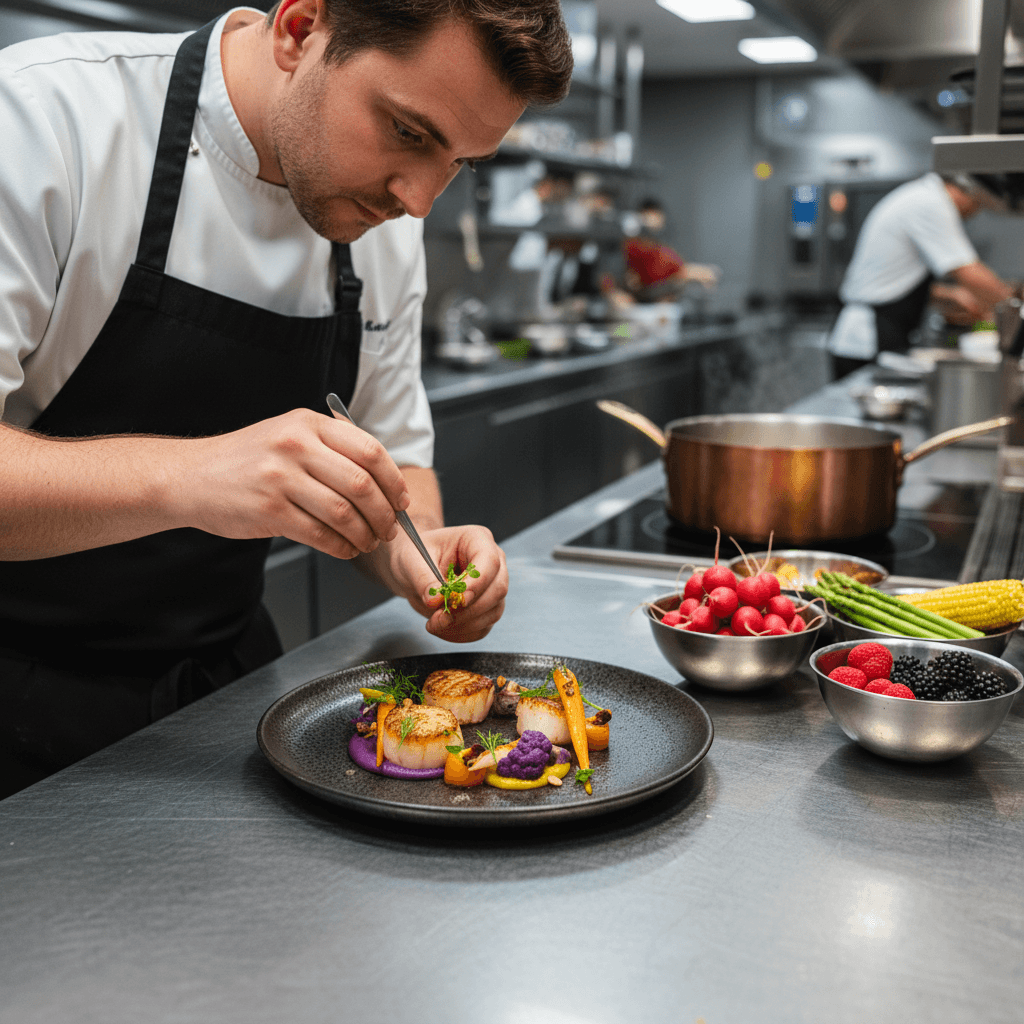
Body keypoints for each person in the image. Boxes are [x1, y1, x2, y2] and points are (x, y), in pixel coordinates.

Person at [0, 0, 572, 796]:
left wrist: (417, 554)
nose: (418, 201)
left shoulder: (384, 223)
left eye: (461, 163)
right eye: (408, 131)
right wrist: (194, 477)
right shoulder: (41, 121)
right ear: (301, 30)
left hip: (228, 694)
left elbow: (394, 456)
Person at [828, 171, 1015, 379]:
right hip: (866, 339)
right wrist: (1015, 309)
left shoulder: (921, 196)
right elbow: (969, 272)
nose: (973, 213)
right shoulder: (930, 203)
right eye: (977, 205)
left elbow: (892, 279)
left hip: (879, 330)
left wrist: (948, 296)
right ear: (967, 192)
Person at [622, 198, 720, 302]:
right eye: (648, 217)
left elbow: (678, 268)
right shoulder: (635, 246)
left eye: (657, 216)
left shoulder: (660, 246)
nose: (653, 221)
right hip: (645, 298)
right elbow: (677, 270)